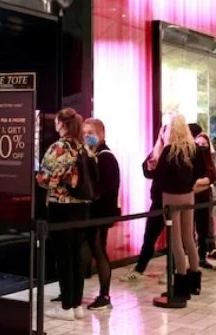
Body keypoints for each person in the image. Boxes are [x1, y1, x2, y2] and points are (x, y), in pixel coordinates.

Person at [37, 109, 92, 321]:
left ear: (62, 124)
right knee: (77, 255)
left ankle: (66, 306)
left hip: (61, 207)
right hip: (82, 207)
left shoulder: (59, 147)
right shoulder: (83, 147)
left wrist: (48, 180)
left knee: (63, 256)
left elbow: (43, 178)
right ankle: (77, 304)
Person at [153, 115, 207, 298]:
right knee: (189, 238)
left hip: (171, 197)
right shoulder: (194, 149)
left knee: (175, 241)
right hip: (188, 195)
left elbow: (158, 177)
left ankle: (181, 283)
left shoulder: (168, 151)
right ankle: (195, 281)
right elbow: (201, 172)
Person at [120, 116, 171, 283]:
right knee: (149, 236)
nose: (165, 135)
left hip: (174, 200)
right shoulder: (157, 151)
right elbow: (148, 172)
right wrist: (150, 167)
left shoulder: (176, 152)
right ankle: (139, 269)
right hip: (157, 201)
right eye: (163, 132)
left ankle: (172, 272)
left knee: (175, 239)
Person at [82, 118, 120, 311]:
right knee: (92, 248)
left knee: (98, 249)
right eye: (84, 133)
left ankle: (104, 295)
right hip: (93, 212)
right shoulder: (92, 155)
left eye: (91, 133)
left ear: (101, 134)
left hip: (101, 212)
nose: (87, 136)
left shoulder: (106, 157)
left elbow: (108, 187)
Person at [193, 132, 216, 269]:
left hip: (204, 199)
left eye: (204, 144)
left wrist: (197, 183)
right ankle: (192, 257)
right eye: (198, 143)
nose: (201, 146)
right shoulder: (190, 159)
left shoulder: (210, 160)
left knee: (203, 229)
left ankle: (202, 257)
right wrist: (204, 183)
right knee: (189, 230)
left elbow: (212, 177)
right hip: (190, 200)